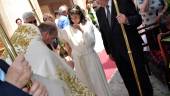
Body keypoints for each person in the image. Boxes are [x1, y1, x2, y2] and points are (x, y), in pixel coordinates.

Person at [2, 23, 95, 95]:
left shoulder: (26, 33)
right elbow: (57, 75)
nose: (52, 41)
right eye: (53, 38)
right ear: (46, 35)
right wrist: (68, 67)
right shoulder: (42, 50)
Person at [95, 0, 153, 96]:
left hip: (131, 48)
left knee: (141, 78)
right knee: (128, 81)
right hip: (117, 53)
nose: (96, 1)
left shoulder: (122, 2)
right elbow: (104, 33)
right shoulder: (99, 12)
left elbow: (138, 19)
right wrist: (109, 51)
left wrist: (127, 20)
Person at [59, 5, 112, 96]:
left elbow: (91, 42)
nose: (74, 20)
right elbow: (62, 41)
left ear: (80, 15)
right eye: (71, 18)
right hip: (78, 60)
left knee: (97, 82)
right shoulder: (67, 29)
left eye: (76, 17)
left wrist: (82, 30)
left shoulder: (87, 25)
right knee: (85, 84)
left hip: (90, 57)